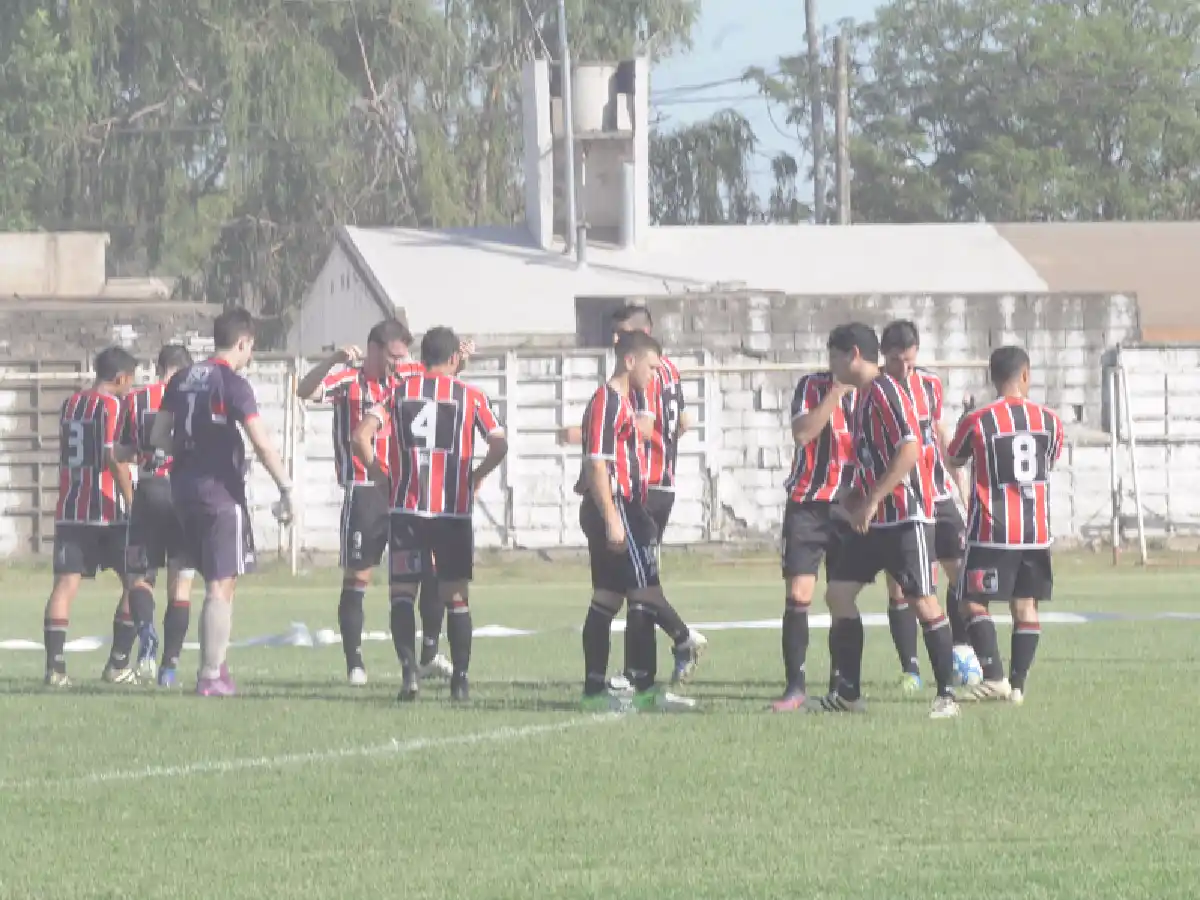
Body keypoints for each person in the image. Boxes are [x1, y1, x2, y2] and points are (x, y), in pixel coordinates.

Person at [812, 323, 960, 720]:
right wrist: (853, 495)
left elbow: (909, 449)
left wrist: (873, 500)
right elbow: (869, 457)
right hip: (874, 522)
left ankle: (947, 695)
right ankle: (849, 694)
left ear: (854, 355)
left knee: (923, 603)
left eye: (835, 357)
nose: (832, 366)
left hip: (904, 516)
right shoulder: (860, 397)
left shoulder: (885, 391)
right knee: (838, 595)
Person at [353, 326, 507, 703]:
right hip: (451, 510)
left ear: (422, 358)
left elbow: (360, 437)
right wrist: (475, 475)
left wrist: (379, 475)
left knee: (403, 594)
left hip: (407, 508)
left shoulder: (399, 390)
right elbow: (500, 444)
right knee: (456, 596)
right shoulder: (471, 396)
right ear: (455, 359)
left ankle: (409, 674)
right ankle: (461, 681)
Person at [296, 319, 452, 686]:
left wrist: (460, 356)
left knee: (429, 569)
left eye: (405, 355)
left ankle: (428, 655)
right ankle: (355, 663)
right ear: (375, 350)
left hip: (404, 490)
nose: (402, 362)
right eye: (395, 355)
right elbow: (304, 390)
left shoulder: (409, 374)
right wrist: (333, 358)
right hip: (365, 488)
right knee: (358, 577)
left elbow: (443, 375)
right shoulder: (349, 381)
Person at [560, 305, 707, 686]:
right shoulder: (617, 396)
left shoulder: (636, 387)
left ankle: (618, 680)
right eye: (650, 367)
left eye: (622, 332)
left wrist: (580, 443)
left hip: (637, 494)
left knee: (620, 593)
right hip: (623, 500)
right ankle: (659, 659)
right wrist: (606, 505)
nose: (614, 339)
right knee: (635, 589)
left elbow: (627, 437)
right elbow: (603, 454)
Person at [149, 307, 292, 697]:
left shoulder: (180, 378)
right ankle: (211, 674)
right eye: (251, 348)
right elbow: (260, 442)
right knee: (220, 583)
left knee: (199, 578)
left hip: (182, 489)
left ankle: (215, 664)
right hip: (219, 492)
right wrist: (285, 487)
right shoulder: (232, 384)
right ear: (243, 342)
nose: (250, 355)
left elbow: (159, 435)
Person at [946, 346, 1064, 705]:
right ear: (1025, 375)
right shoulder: (1050, 420)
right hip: (1035, 532)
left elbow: (954, 457)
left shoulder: (979, 419)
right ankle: (1017, 685)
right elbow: (1050, 460)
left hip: (992, 530)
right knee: (1025, 605)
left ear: (992, 378)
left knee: (971, 600)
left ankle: (994, 675)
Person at [878, 320, 979, 692]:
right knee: (900, 587)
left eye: (909, 360)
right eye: (894, 361)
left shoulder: (930, 385)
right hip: (899, 501)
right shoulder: (876, 392)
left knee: (963, 576)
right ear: (882, 356)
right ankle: (911, 668)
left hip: (936, 494)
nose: (903, 368)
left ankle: (962, 650)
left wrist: (959, 481)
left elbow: (938, 434)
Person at [43, 347, 138, 687]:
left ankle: (55, 670)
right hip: (107, 511)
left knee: (65, 586)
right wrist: (133, 500)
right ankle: (117, 664)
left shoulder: (69, 405)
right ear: (121, 378)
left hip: (69, 509)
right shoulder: (113, 406)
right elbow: (113, 457)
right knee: (136, 581)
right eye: (131, 380)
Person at [103, 344, 196, 687]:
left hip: (150, 488)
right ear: (186, 370)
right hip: (186, 493)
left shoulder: (137, 398)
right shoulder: (194, 398)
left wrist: (140, 453)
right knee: (181, 584)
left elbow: (120, 451)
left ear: (159, 368)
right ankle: (168, 668)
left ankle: (145, 632)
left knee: (139, 577)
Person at [771, 365, 856, 712]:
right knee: (797, 593)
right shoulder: (812, 385)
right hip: (807, 505)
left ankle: (841, 685)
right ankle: (795, 687)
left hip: (850, 506)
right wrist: (835, 394)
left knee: (841, 598)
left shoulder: (877, 390)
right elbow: (803, 434)